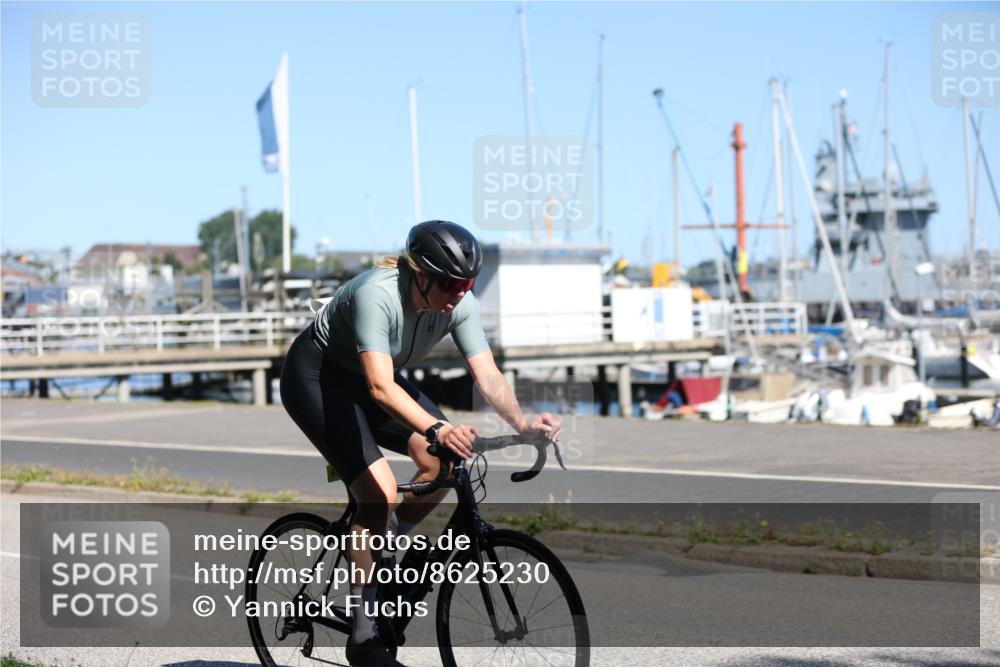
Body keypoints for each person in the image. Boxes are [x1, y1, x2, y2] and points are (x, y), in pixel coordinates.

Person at [279, 220, 561, 667]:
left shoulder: (457, 305)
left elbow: (486, 375)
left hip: (377, 381)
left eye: (467, 284)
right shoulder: (378, 294)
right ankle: (364, 634)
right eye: (450, 283)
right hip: (318, 380)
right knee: (380, 493)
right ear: (421, 274)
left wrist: (522, 421)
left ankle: (386, 546)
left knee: (445, 466)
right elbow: (378, 388)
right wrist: (438, 429)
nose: (459, 293)